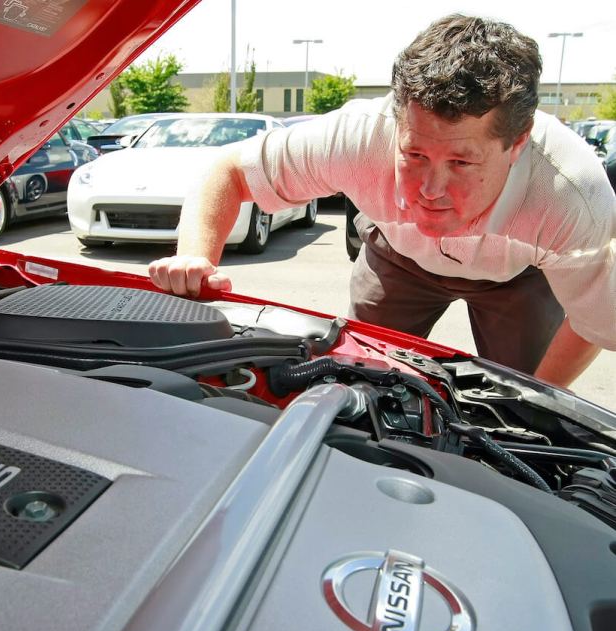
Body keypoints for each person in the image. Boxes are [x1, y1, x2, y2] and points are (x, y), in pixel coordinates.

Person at [148, 14, 615, 387]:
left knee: (519, 393)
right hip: (398, 259)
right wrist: (194, 257)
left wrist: (534, 405)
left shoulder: (572, 195)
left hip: (519, 277)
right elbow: (228, 171)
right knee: (363, 381)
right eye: (413, 154)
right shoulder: (358, 137)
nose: (430, 190)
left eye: (461, 163)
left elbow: (595, 322)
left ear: (517, 144)